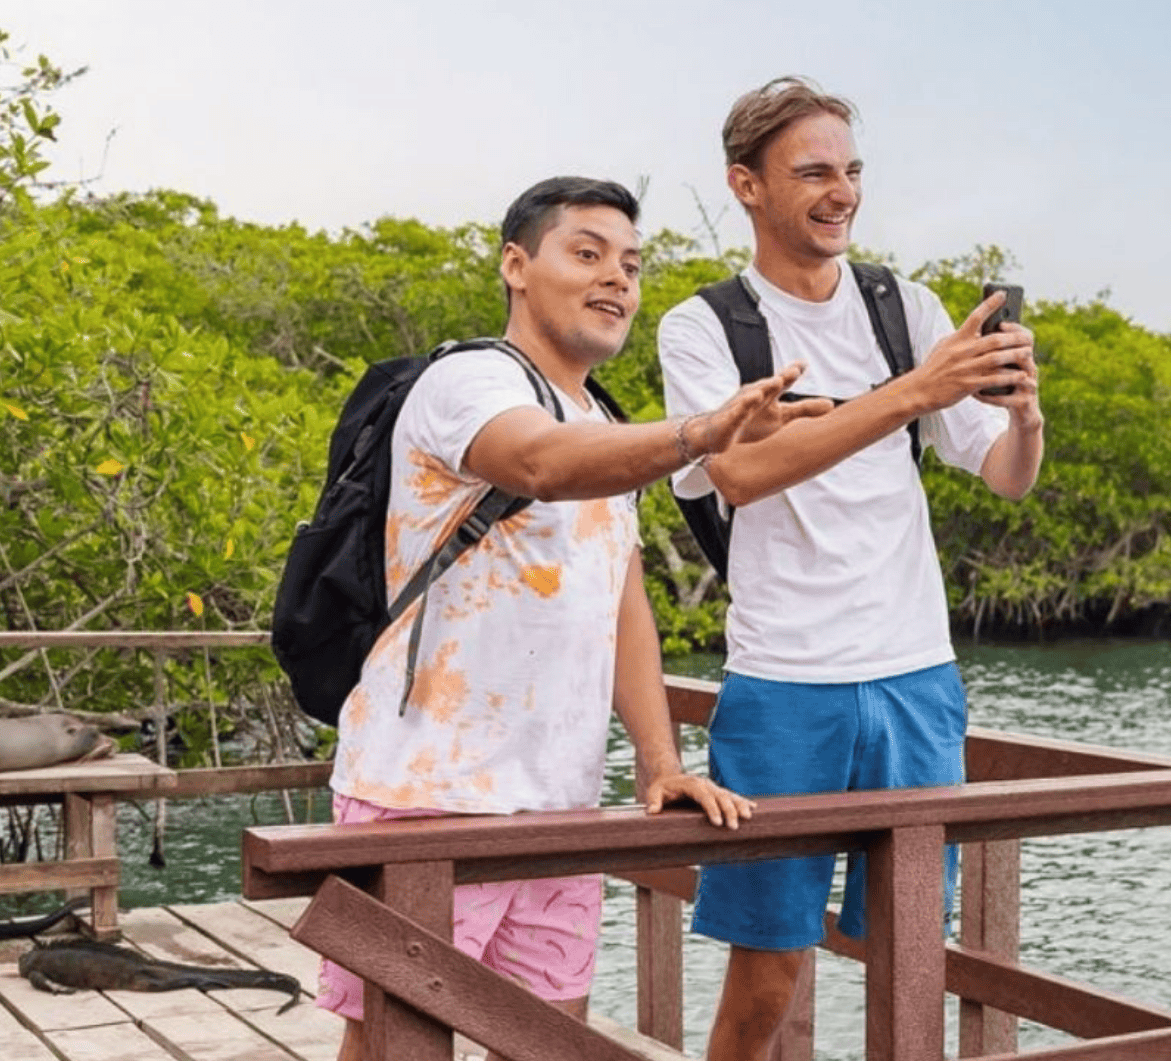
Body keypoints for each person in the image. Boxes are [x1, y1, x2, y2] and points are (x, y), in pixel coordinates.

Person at [321, 175, 829, 1061]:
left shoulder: (604, 420)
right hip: (426, 798)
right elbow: (539, 462)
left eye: (630, 264)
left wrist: (660, 763)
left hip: (560, 809)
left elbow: (621, 604)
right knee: (395, 1048)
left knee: (550, 1042)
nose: (616, 279)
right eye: (586, 253)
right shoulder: (467, 379)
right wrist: (699, 432)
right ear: (516, 266)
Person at [657, 78, 1045, 1060]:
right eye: (814, 173)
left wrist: (1025, 418)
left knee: (911, 955)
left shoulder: (900, 306)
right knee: (768, 972)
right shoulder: (703, 327)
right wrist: (910, 391)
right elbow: (736, 474)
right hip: (784, 681)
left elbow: (1003, 475)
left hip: (916, 675)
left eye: (852, 170)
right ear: (746, 185)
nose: (842, 193)